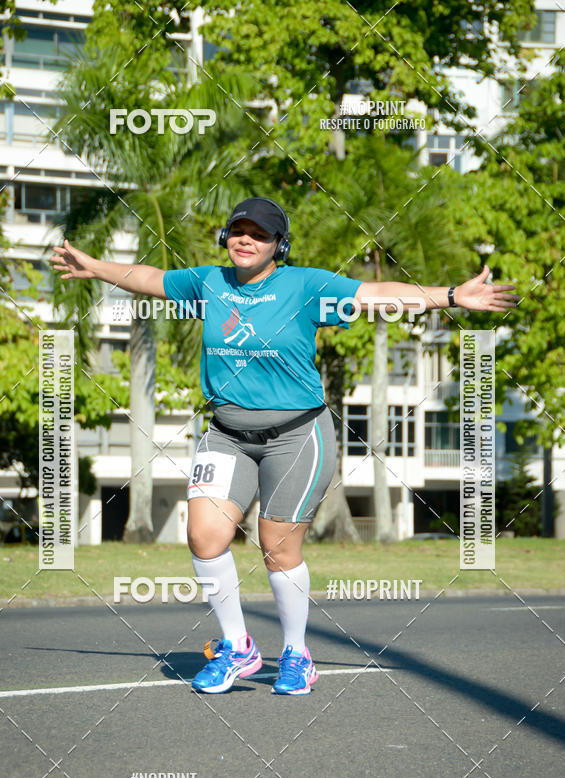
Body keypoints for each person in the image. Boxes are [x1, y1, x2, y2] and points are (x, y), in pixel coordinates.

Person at [51, 196, 518, 695]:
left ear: (279, 245)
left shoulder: (306, 286)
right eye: (238, 231)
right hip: (227, 434)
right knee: (204, 537)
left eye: (260, 234)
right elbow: (150, 279)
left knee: (277, 547)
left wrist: (452, 296)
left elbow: (377, 294)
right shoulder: (210, 283)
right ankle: (237, 647)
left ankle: (297, 653)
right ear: (225, 237)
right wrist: (94, 267)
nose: (246, 240)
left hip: (297, 436)